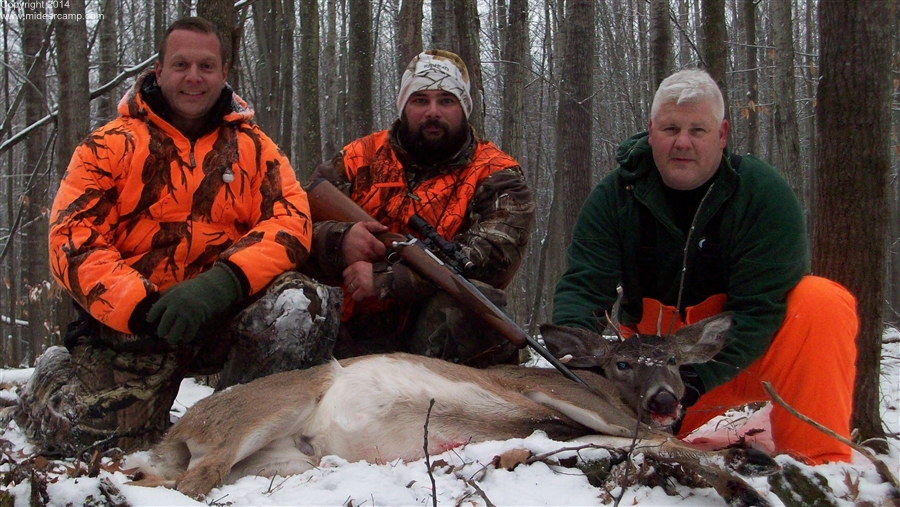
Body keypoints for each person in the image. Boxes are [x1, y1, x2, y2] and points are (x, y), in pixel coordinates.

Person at [13, 17, 341, 457]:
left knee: (300, 303)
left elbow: (291, 219)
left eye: (206, 66)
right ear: (159, 70)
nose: (193, 77)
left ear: (224, 73)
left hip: (222, 311)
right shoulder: (108, 146)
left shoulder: (254, 148)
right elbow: (72, 238)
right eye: (181, 64)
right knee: (91, 443)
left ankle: (236, 424)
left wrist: (222, 283)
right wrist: (138, 305)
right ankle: (52, 375)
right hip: (138, 323)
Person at [551, 68, 857, 464]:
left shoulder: (764, 196)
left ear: (723, 134)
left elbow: (760, 310)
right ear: (650, 131)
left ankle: (818, 467)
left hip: (738, 357)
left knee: (821, 301)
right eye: (670, 129)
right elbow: (584, 287)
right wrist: (578, 366)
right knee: (612, 444)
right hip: (649, 372)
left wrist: (692, 382)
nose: (682, 142)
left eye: (698, 130)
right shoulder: (615, 197)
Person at [305, 49, 535, 367]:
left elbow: (490, 258)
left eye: (446, 100)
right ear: (403, 106)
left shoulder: (498, 175)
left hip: (429, 336)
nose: (433, 111)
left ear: (464, 108)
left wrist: (388, 279)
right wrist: (340, 241)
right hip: (347, 328)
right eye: (420, 100)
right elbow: (294, 223)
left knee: (476, 304)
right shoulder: (358, 158)